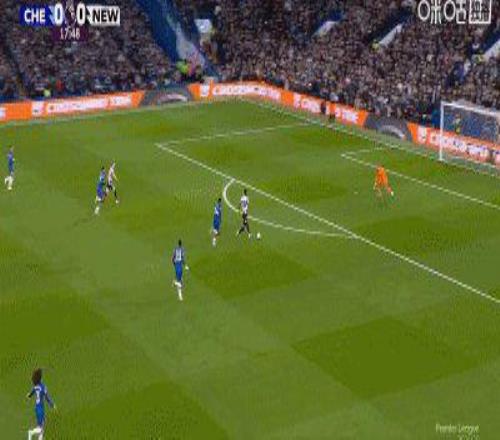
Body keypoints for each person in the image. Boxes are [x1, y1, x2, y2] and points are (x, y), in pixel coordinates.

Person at [26, 368, 55, 440]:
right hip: (40, 408)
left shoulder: (35, 387)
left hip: (37, 407)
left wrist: (28, 396)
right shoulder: (43, 387)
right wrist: (52, 405)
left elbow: (31, 393)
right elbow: (47, 397)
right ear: (40, 378)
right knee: (40, 428)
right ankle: (30, 432)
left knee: (42, 425)